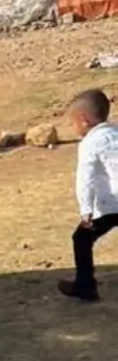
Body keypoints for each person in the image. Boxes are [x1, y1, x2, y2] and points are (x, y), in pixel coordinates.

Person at [58, 88, 118, 302]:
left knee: (81, 238)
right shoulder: (116, 132)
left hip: (112, 204)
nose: (73, 128)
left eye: (72, 123)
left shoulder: (89, 143)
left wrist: (86, 210)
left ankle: (85, 286)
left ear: (83, 120)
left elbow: (86, 179)